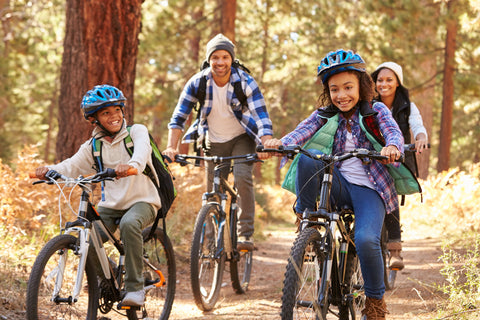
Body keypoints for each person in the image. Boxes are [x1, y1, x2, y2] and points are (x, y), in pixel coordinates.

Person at [264, 49, 404, 319]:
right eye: (335, 89)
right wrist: (281, 144)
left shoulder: (376, 110)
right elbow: (300, 132)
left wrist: (392, 147)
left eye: (348, 87)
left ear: (361, 86)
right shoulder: (325, 114)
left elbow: (393, 133)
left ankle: (375, 303)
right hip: (338, 183)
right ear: (328, 92)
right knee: (308, 158)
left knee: (365, 239)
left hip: (369, 190)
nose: (342, 95)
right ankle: (307, 222)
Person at [33, 84, 160, 307]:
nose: (114, 116)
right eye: (106, 113)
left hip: (144, 200)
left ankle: (135, 287)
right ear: (95, 119)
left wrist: (130, 166)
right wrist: (48, 170)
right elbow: (71, 165)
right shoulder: (94, 146)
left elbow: (141, 155)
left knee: (130, 224)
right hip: (111, 205)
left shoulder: (136, 132)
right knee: (87, 236)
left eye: (117, 110)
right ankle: (108, 274)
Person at [163, 33, 273, 251]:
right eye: (215, 57)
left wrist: (266, 142)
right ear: (209, 59)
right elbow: (178, 118)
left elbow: (261, 117)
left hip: (242, 137)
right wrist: (171, 147)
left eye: (225, 57)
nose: (220, 62)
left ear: (231, 59)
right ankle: (212, 243)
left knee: (242, 177)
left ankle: (245, 234)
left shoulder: (245, 81)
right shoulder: (197, 83)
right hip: (213, 140)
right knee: (212, 193)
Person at [371, 62, 429, 270]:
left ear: (398, 83)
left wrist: (421, 139)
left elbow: (418, 127)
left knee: (390, 190)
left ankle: (395, 249)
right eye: (380, 80)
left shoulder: (408, 107)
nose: (383, 84)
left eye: (389, 80)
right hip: (370, 157)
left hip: (396, 159)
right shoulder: (367, 104)